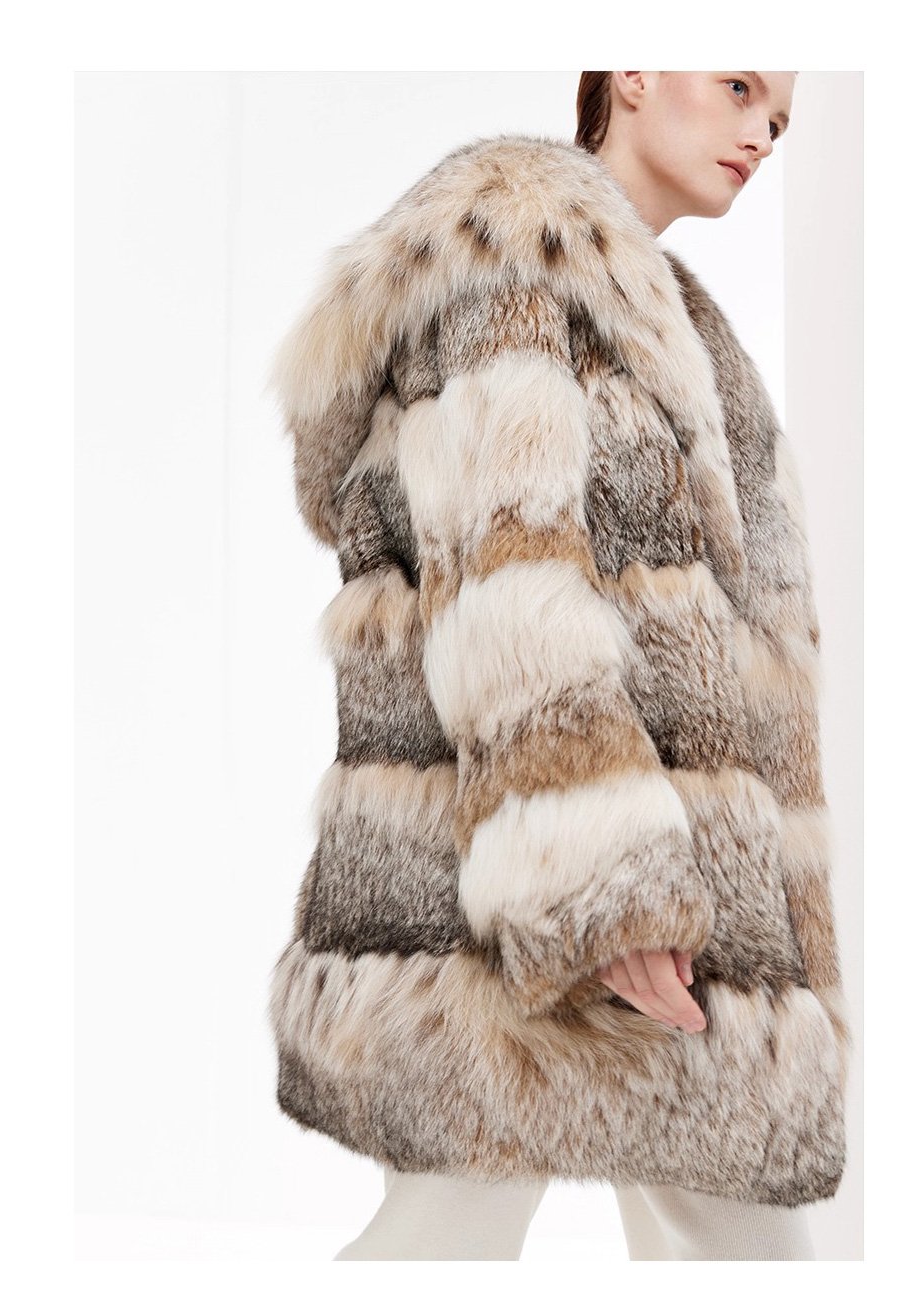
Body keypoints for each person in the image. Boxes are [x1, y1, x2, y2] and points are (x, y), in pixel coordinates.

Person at [266, 70, 849, 1261]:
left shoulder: (672, 327)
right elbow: (505, 587)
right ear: (632, 73)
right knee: (451, 1235)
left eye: (780, 119)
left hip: (667, 900)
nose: (760, 134)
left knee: (714, 1244)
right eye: (739, 87)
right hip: (538, 905)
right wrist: (606, 895)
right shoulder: (512, 262)